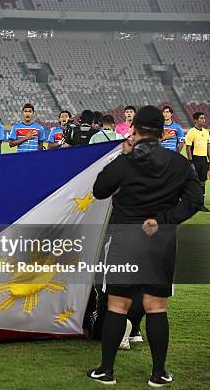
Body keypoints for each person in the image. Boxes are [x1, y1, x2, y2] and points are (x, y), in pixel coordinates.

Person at [87, 106, 203, 387]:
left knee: (117, 305)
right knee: (156, 307)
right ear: (163, 133)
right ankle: (158, 374)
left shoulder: (126, 161)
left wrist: (122, 156)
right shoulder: (178, 164)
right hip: (161, 240)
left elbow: (100, 189)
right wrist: (163, 220)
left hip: (125, 237)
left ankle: (106, 371)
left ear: (133, 130)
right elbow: (195, 201)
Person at [185, 112, 209, 211]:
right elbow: (188, 148)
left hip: (204, 160)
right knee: (194, 182)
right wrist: (191, 162)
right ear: (196, 120)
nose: (204, 120)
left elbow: (208, 148)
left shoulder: (206, 132)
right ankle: (191, 203)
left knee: (203, 182)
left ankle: (201, 204)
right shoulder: (191, 132)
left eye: (204, 118)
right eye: (201, 118)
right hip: (195, 159)